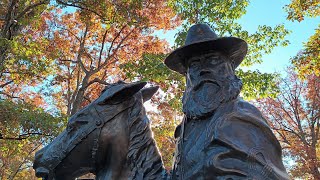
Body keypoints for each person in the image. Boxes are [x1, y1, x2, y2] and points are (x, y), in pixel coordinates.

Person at [164, 23, 289, 179]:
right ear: (187, 77)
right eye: (194, 65)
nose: (204, 69)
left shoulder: (242, 117)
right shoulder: (183, 130)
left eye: (213, 60)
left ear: (230, 66)